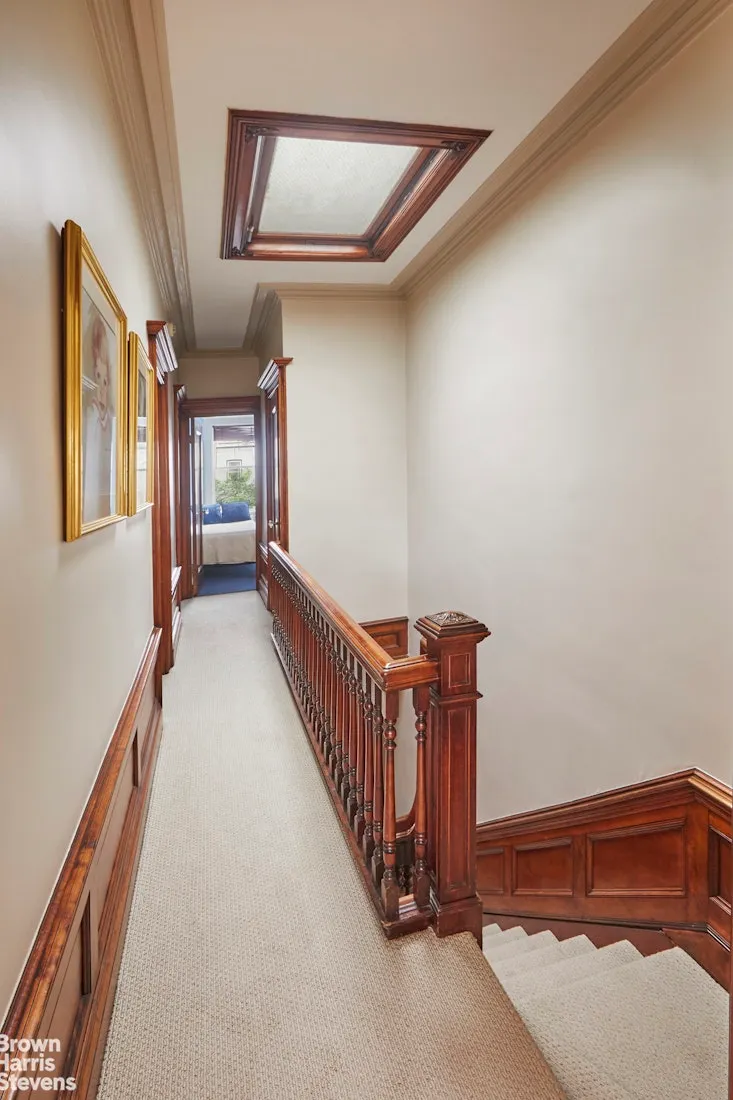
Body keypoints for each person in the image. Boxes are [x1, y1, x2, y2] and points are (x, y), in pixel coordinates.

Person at [82, 308, 115, 524]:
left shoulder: (110, 418)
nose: (102, 388)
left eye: (105, 381)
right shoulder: (89, 416)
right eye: (97, 376)